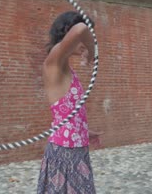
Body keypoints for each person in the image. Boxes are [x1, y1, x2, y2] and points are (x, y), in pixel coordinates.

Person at [37, 11, 100, 194]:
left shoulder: (65, 68)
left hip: (76, 150)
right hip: (64, 153)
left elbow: (66, 112)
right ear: (66, 32)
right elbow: (81, 29)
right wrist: (92, 52)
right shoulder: (53, 63)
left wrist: (84, 130)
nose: (89, 39)